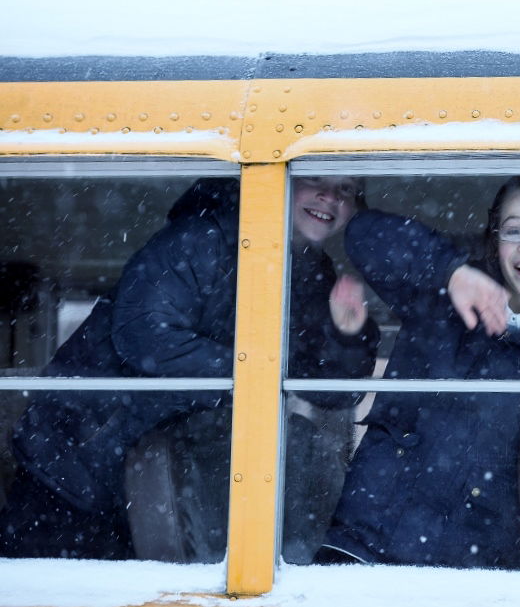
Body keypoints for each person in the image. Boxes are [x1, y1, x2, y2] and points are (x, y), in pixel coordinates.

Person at [1, 176, 379, 560]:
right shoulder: (202, 239)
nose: (330, 196)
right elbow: (144, 335)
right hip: (76, 457)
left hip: (163, 479)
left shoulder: (313, 277)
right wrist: (252, 372)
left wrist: (348, 336)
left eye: (347, 189)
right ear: (279, 182)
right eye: (314, 180)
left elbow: (333, 392)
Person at [317, 176, 520, 570]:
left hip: (474, 569)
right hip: (365, 547)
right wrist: (450, 272)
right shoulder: (442, 296)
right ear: (495, 239)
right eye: (514, 230)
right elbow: (363, 235)